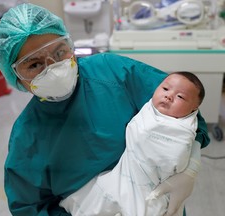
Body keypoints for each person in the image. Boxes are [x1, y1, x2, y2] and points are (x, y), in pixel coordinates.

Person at [0, 3, 210, 216]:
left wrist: (191, 166)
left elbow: (186, 103)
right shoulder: (27, 138)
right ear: (16, 77)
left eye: (59, 52)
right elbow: (29, 207)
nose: (53, 67)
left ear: (70, 45)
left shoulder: (113, 72)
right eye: (34, 64)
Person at [59, 71, 205, 216]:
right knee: (95, 195)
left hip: (154, 188)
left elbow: (175, 155)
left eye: (180, 96)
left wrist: (191, 169)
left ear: (194, 110)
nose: (169, 96)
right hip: (126, 173)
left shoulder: (183, 129)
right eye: (165, 89)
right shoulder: (149, 107)